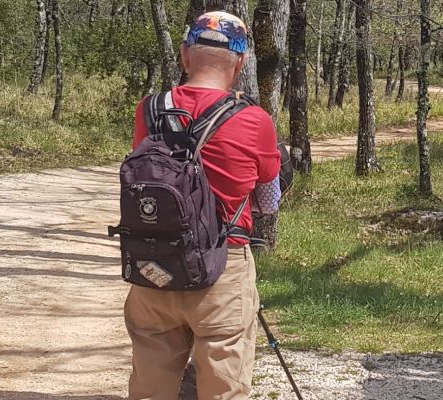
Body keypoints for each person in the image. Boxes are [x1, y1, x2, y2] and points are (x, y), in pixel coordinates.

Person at [123, 11, 282, 400]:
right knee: (222, 390)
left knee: (150, 387)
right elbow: (268, 202)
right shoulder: (254, 119)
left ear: (185, 56)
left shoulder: (150, 109)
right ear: (241, 63)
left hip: (153, 268)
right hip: (221, 270)